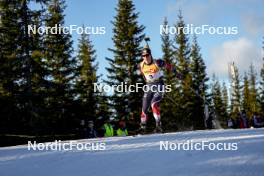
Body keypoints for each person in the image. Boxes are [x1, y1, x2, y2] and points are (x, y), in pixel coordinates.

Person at [138, 45, 178, 133]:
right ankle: (142, 127)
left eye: (147, 55)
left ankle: (158, 126)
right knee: (144, 107)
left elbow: (169, 66)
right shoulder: (141, 65)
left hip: (159, 84)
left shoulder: (157, 62)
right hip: (149, 86)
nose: (146, 57)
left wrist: (176, 72)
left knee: (154, 104)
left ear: (150, 55)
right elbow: (142, 74)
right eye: (143, 56)